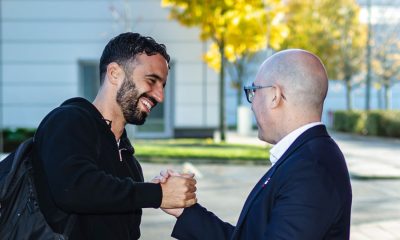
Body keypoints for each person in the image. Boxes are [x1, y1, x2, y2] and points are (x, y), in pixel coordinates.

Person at [163, 49, 352, 239]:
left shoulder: (310, 169)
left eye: (254, 91)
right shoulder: (307, 157)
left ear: (275, 96)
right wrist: (186, 211)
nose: (252, 104)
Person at [31, 32, 197, 240]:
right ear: (114, 73)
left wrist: (155, 189)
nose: (159, 96)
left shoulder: (130, 163)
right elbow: (74, 188)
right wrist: (157, 194)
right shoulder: (68, 121)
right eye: (151, 80)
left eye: (162, 86)